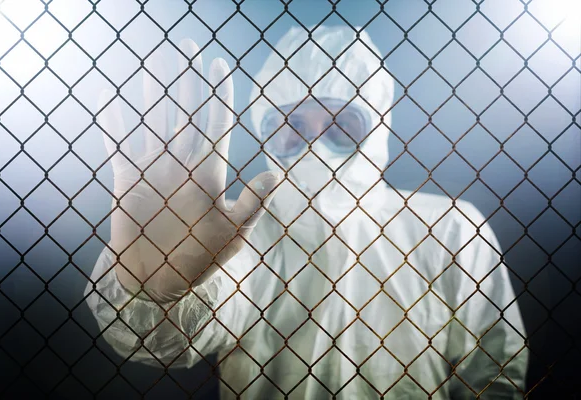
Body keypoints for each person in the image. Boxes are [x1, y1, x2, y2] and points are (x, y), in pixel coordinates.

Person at [85, 26, 528, 399]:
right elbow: (172, 344)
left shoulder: (448, 228)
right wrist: (148, 290)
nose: (315, 145)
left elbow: (495, 372)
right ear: (264, 131)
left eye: (341, 124)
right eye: (291, 126)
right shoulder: (238, 235)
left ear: (378, 127)